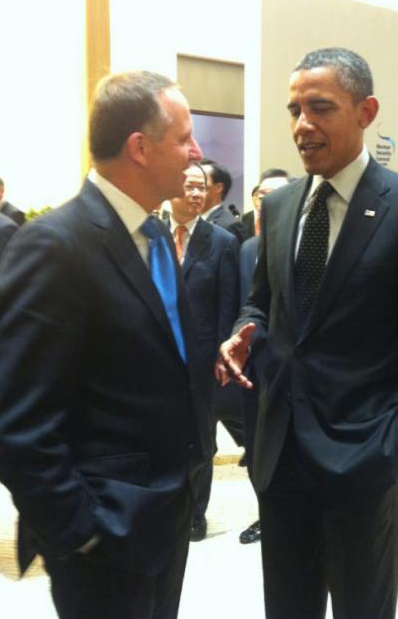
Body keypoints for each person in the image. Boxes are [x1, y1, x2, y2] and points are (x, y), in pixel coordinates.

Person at [216, 47, 398, 619]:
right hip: (280, 455)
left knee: (363, 606)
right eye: (294, 109)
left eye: (320, 107)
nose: (303, 125)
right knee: (288, 605)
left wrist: (396, 441)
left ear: (366, 111)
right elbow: (262, 300)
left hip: (364, 454)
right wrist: (245, 329)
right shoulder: (278, 207)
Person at [0, 70, 210, 619]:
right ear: (140, 148)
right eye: (185, 137)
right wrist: (80, 532)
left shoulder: (156, 235)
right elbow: (16, 418)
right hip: (106, 533)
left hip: (165, 515)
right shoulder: (54, 246)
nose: (197, 151)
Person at [169, 162, 239, 541]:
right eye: (188, 186)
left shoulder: (221, 243)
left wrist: (221, 358)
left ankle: (197, 511)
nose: (196, 194)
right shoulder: (151, 236)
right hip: (157, 361)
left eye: (202, 187)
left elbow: (227, 308)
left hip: (201, 364)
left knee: (201, 440)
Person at [238, 170, 290, 545]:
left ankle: (281, 515)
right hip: (250, 366)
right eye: (262, 194)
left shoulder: (299, 246)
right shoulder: (245, 249)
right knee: (255, 449)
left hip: (286, 369)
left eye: (276, 195)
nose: (267, 201)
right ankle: (265, 512)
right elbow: (245, 303)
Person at [201, 159, 247, 244]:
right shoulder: (190, 222)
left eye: (201, 182)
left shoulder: (229, 225)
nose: (195, 189)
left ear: (218, 188)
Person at [242, 168, 289, 239]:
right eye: (262, 194)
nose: (266, 199)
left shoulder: (298, 233)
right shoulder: (249, 247)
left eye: (275, 194)